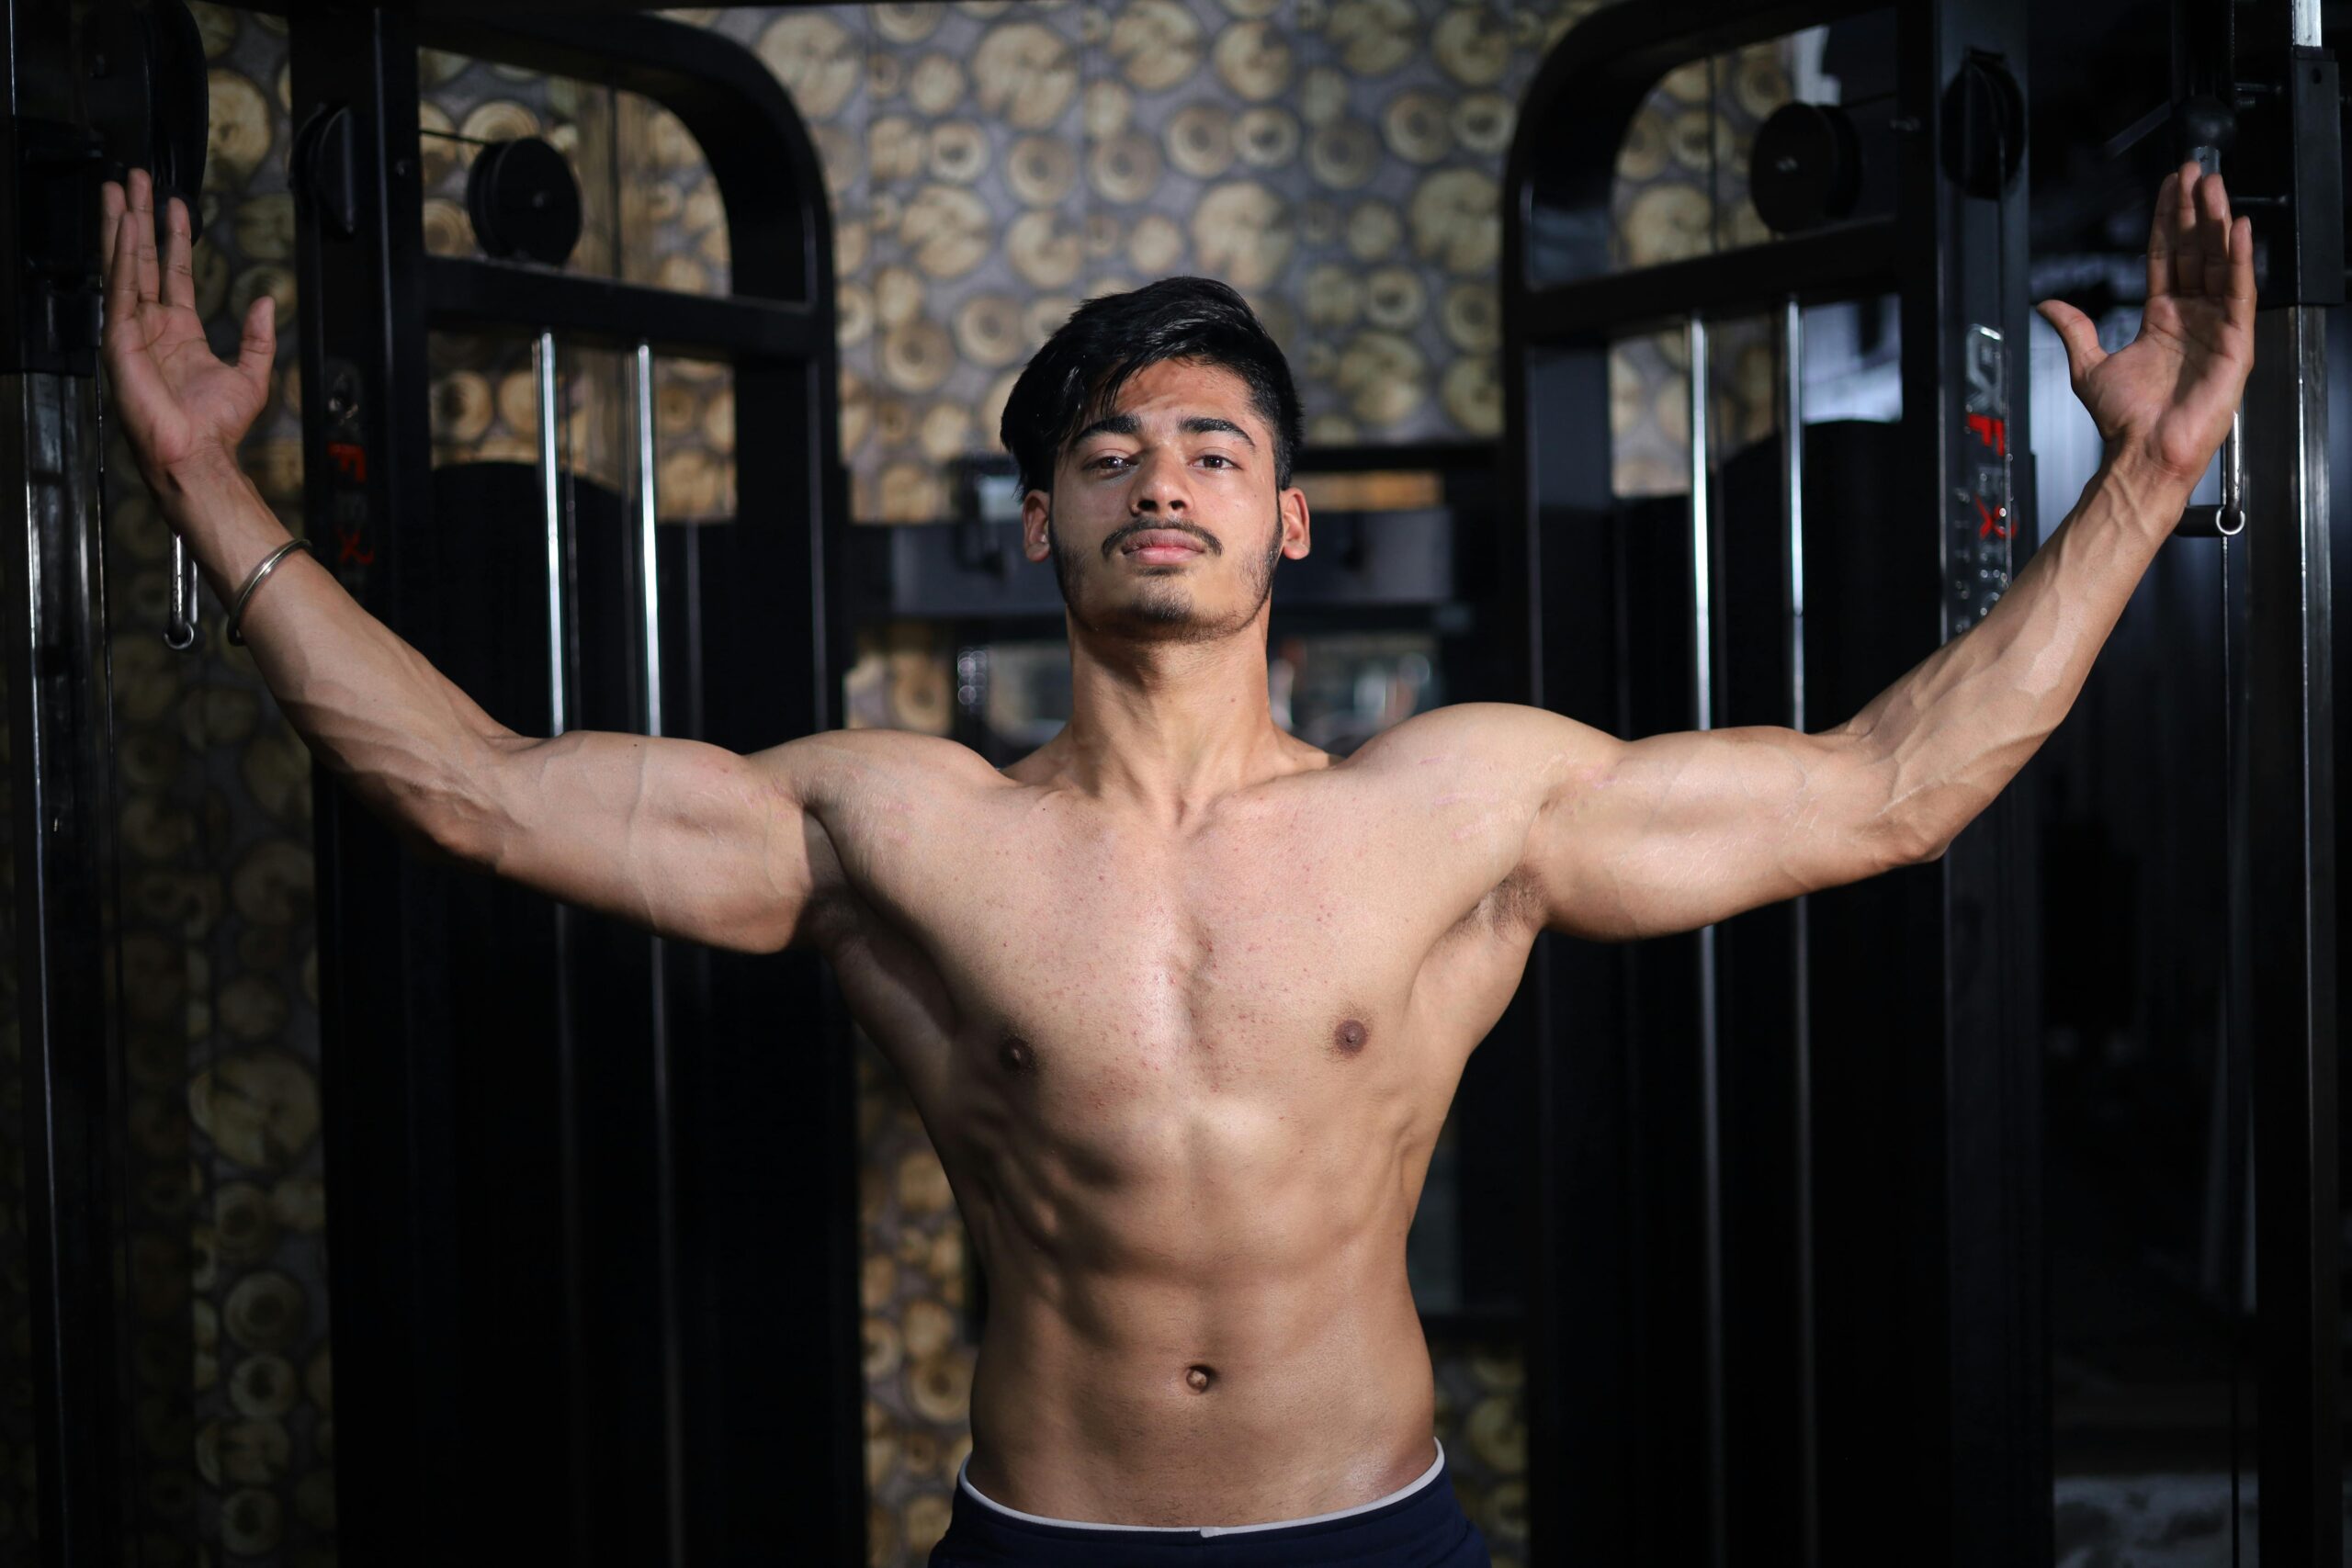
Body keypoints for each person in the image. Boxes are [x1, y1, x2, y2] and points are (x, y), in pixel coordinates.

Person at [98, 159, 2252, 1566]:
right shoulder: (892, 819)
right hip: (1041, 1530)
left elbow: (1891, 782)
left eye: (1214, 447)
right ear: (1035, 521)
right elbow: (468, 783)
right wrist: (206, 483)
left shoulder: (1459, 803)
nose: (1160, 478)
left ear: (1288, 523)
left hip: (1374, 1526)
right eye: (1104, 452)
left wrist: (2146, 476)